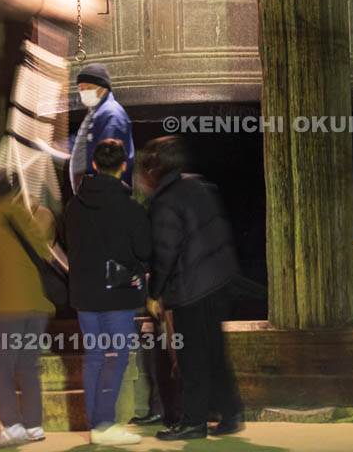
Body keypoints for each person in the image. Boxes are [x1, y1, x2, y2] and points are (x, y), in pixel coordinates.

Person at [143, 136, 244, 441]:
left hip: (192, 289)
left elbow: (165, 251)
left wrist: (154, 293)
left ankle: (193, 422)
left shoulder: (166, 199)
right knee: (213, 352)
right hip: (220, 282)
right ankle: (231, 412)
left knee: (191, 358)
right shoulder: (199, 186)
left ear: (156, 166)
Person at [65, 139, 151, 446]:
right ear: (123, 166)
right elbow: (144, 249)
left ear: (95, 166)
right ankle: (104, 424)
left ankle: (96, 425)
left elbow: (71, 247)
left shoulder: (74, 206)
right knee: (119, 357)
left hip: (85, 295)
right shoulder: (130, 207)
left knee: (95, 358)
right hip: (118, 295)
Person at [0, 171, 56, 448]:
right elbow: (46, 252)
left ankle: (12, 426)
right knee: (29, 367)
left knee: (3, 368)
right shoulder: (32, 219)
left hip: (10, 307)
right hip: (37, 305)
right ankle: (34, 426)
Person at [69, 63, 134, 193]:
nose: (84, 92)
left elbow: (108, 158)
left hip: (105, 195)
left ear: (103, 88)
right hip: (93, 194)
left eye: (89, 88)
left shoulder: (111, 114)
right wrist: (52, 147)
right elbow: (80, 142)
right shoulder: (96, 112)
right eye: (81, 88)